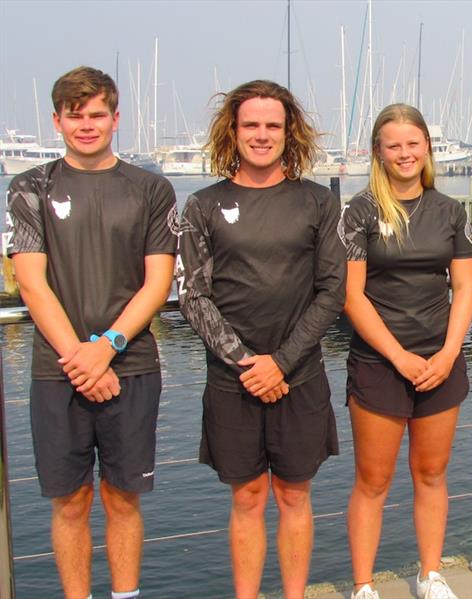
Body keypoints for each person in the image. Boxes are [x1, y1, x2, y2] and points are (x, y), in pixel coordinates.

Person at [5, 66, 177, 599]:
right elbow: (32, 283)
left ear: (116, 119)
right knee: (71, 500)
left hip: (131, 366)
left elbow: (157, 284)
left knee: (123, 497)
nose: (87, 125)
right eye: (75, 116)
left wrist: (106, 348)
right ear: (57, 121)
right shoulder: (30, 186)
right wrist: (80, 358)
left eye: (97, 114)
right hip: (58, 370)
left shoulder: (151, 188)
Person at [176, 80, 344, 599]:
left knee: (295, 495)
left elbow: (332, 290)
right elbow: (192, 295)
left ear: (289, 132)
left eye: (273, 125)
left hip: (301, 377)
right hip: (233, 382)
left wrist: (283, 362)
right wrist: (249, 363)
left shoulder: (318, 202)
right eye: (251, 124)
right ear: (234, 129)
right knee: (247, 497)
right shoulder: (203, 206)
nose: (262, 135)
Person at [339, 103, 472, 599]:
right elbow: (351, 295)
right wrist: (398, 357)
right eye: (393, 144)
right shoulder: (361, 211)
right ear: (379, 150)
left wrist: (447, 354)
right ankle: (363, 585)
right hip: (381, 363)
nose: (404, 153)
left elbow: (464, 288)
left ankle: (431, 574)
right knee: (373, 481)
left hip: (440, 361)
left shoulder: (449, 211)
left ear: (426, 148)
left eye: (412, 143)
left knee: (432, 474)